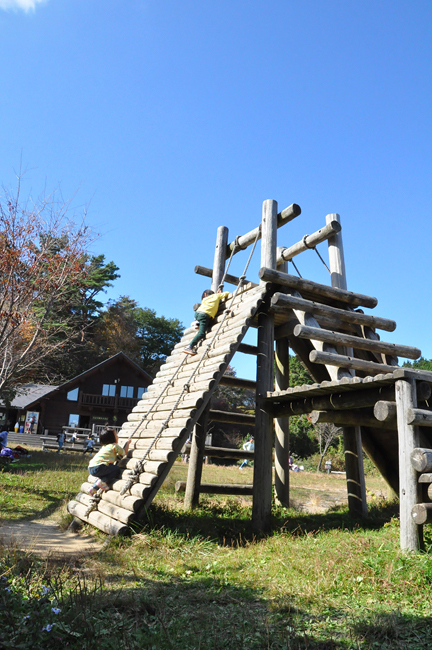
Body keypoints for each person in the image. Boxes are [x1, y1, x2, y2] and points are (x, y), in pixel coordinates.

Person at [184, 288, 230, 356]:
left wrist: (217, 295)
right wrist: (219, 294)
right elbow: (227, 293)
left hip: (198, 313)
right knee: (201, 333)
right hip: (205, 315)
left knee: (204, 321)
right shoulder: (216, 296)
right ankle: (189, 347)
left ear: (205, 294)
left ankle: (197, 323)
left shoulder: (205, 299)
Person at [87, 429, 130, 495]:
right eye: (116, 435)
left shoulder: (104, 447)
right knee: (116, 469)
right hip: (100, 467)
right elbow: (124, 452)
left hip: (91, 468)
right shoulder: (114, 446)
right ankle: (102, 481)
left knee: (104, 474)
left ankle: (93, 488)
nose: (118, 437)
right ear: (112, 438)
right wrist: (128, 443)